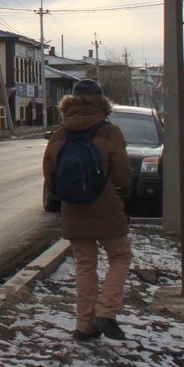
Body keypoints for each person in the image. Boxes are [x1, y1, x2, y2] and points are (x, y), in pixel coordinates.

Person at [43, 78, 133, 341]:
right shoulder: (109, 131)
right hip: (104, 206)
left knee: (84, 264)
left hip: (73, 209)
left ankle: (84, 325)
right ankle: (106, 312)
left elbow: (49, 175)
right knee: (119, 256)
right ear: (101, 102)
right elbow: (123, 174)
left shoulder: (60, 133)